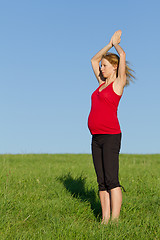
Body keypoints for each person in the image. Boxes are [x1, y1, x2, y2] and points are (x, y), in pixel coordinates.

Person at [88, 30, 134, 224]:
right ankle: (104, 219)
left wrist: (116, 45)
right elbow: (92, 60)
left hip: (111, 136)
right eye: (102, 66)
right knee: (101, 181)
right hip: (96, 137)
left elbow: (122, 55)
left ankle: (115, 220)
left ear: (114, 67)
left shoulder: (117, 84)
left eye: (104, 66)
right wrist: (108, 44)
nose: (101, 68)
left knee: (112, 179)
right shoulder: (100, 84)